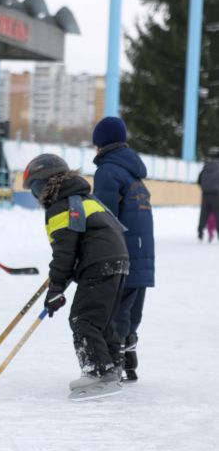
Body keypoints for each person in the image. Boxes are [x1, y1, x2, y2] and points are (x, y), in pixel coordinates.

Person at [22, 153, 129, 395]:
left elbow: (65, 254)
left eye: (36, 187)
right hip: (117, 262)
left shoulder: (61, 205)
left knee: (83, 319)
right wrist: (59, 283)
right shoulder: (83, 199)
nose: (37, 195)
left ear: (48, 183)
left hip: (99, 264)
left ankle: (99, 372)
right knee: (102, 320)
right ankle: (112, 369)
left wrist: (56, 288)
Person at [91, 116, 155, 381]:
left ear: (101, 143)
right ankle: (128, 359)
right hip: (142, 254)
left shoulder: (108, 171)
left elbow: (104, 218)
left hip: (122, 253)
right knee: (130, 308)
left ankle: (114, 363)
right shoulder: (134, 173)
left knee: (115, 308)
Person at [197, 155, 219, 241]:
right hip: (216, 194)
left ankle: (200, 232)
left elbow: (199, 181)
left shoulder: (205, 168)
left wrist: (205, 188)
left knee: (204, 214)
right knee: (217, 214)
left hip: (205, 194)